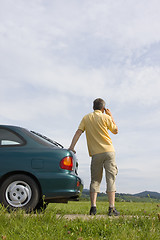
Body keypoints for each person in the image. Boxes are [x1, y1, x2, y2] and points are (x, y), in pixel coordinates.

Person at [68, 98, 119, 216]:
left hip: (96, 154)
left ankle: (93, 208)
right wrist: (111, 116)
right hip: (109, 151)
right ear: (103, 108)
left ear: (93, 107)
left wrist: (71, 147)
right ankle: (111, 208)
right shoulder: (106, 117)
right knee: (110, 179)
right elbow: (115, 131)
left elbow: (78, 132)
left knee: (95, 180)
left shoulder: (86, 118)